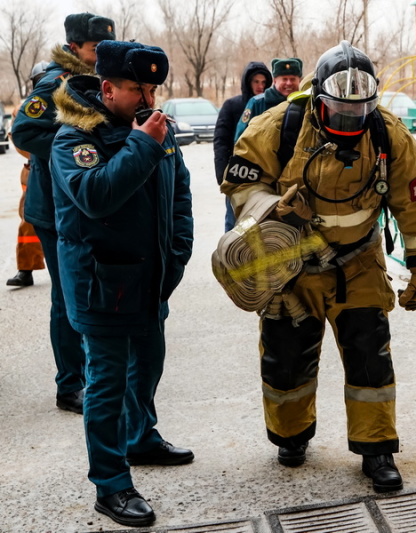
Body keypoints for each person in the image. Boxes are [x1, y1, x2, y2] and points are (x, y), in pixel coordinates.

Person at [220, 41, 416, 493]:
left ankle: (376, 448)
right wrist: (273, 210)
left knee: (370, 357)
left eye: (360, 111)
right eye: (341, 111)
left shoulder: (388, 133)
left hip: (359, 264)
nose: (350, 120)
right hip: (291, 267)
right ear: (319, 100)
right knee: (286, 358)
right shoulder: (277, 127)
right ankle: (291, 436)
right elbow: (240, 185)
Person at [49, 40, 194, 527]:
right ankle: (110, 484)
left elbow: (179, 194)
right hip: (102, 283)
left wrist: (177, 255)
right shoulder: (75, 138)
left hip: (151, 278)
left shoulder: (154, 128)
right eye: (138, 89)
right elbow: (96, 195)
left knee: (148, 365)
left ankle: (141, 438)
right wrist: (142, 144)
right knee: (107, 385)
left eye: (153, 89)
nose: (148, 99)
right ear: (108, 89)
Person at [11, 12, 116, 414]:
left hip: (83, 204)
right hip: (54, 208)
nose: (100, 54)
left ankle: (93, 372)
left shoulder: (96, 81)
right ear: (74, 47)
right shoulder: (56, 83)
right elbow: (23, 130)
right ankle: (69, 385)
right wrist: (70, 148)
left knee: (88, 290)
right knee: (66, 295)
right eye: (95, 48)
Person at [213, 61, 272, 232]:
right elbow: (221, 141)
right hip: (236, 174)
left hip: (263, 176)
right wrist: (222, 175)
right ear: (248, 82)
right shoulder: (232, 105)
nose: (260, 86)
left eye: (263, 82)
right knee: (234, 224)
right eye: (256, 82)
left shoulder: (269, 105)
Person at [6, 63, 49, 287]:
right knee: (29, 221)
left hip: (61, 168)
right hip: (34, 171)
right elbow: (18, 140)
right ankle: (26, 268)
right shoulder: (25, 109)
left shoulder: (67, 102)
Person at [233, 57, 303, 142]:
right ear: (275, 81)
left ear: (299, 81)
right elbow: (241, 138)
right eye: (284, 79)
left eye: (293, 79)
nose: (289, 83)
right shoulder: (257, 103)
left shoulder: (305, 103)